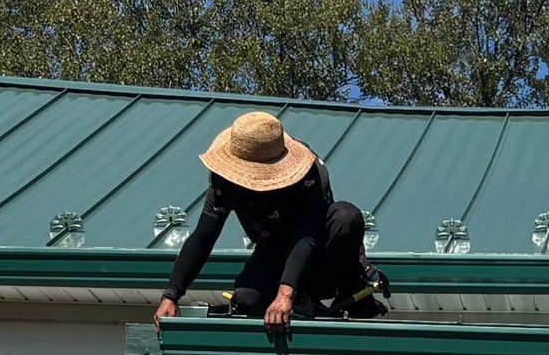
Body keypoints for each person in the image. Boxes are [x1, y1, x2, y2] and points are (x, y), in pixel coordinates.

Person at [153, 110, 387, 330]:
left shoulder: (310, 173)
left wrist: (286, 294)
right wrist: (171, 295)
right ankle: (302, 304)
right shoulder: (224, 181)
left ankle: (347, 294)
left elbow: (306, 235)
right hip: (274, 252)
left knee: (346, 216)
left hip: (320, 254)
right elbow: (204, 236)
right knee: (247, 299)